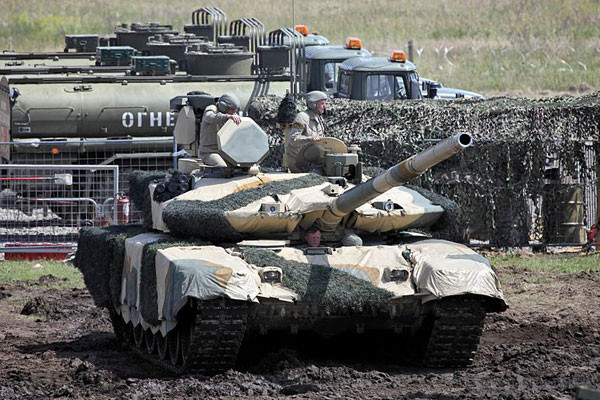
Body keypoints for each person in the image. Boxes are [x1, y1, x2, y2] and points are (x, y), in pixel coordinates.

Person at [283, 90, 328, 172]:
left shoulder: (318, 118)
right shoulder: (301, 117)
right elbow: (293, 139)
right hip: (298, 162)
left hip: (311, 159)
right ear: (313, 104)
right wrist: (310, 139)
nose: (324, 106)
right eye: (322, 103)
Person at [199, 93, 242, 167]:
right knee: (221, 166)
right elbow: (209, 117)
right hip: (209, 152)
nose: (234, 112)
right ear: (223, 106)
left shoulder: (232, 115)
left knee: (242, 165)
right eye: (232, 110)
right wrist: (227, 117)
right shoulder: (212, 109)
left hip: (226, 151)